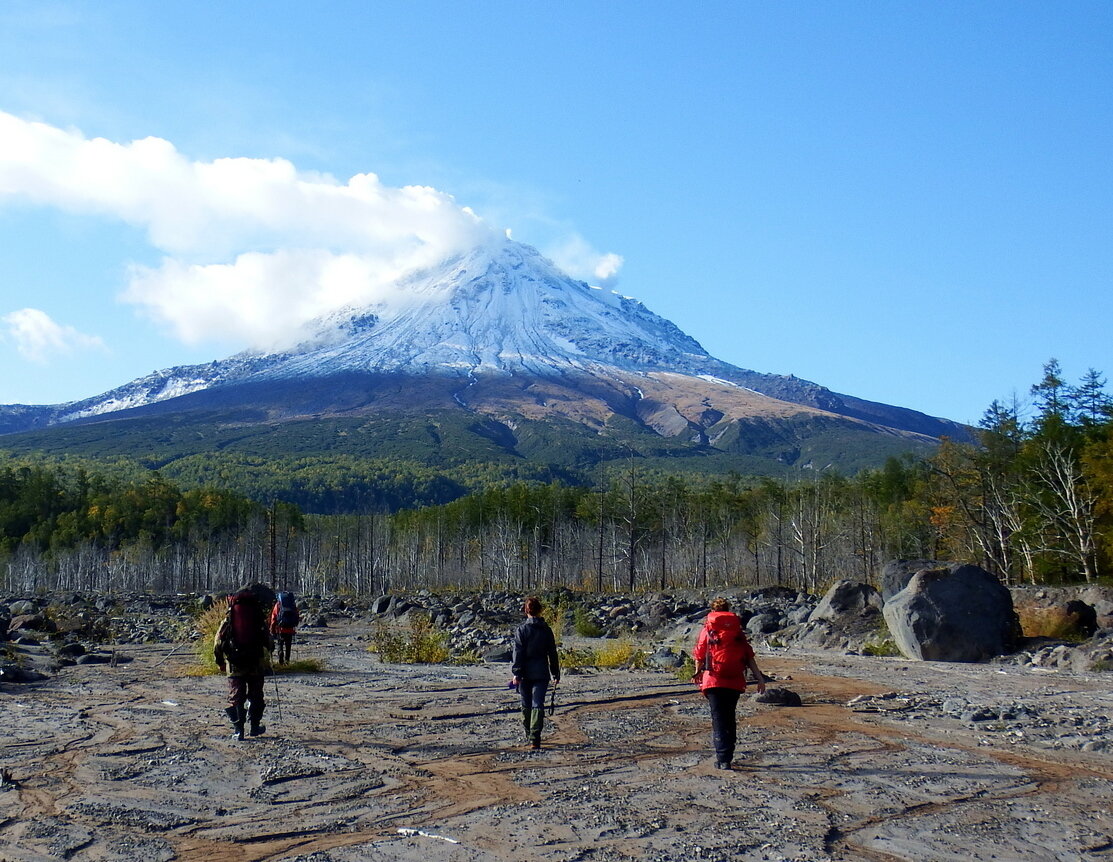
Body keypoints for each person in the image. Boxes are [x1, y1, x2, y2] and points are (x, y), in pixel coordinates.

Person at [691, 597, 766, 770]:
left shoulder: (708, 629)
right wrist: (759, 679)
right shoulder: (736, 631)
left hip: (713, 680)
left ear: (712, 610)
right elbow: (749, 657)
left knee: (718, 719)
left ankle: (722, 759)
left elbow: (699, 654)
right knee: (730, 718)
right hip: (735, 681)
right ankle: (728, 757)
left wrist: (698, 673)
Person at [214, 589, 274, 740]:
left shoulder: (229, 620)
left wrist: (220, 662)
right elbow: (270, 642)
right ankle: (254, 727)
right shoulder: (257, 619)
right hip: (255, 663)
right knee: (256, 696)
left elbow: (218, 643)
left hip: (235, 664)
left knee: (236, 697)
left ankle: (238, 731)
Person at [511, 596, 560, 750]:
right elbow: (552, 653)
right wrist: (555, 673)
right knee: (538, 704)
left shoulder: (522, 630)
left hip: (525, 673)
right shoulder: (547, 630)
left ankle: (529, 733)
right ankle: (535, 738)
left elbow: (518, 653)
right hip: (542, 672)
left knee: (526, 704)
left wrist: (516, 673)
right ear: (540, 610)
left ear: (526, 611)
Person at [270, 590, 300, 665]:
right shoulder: (292, 605)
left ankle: (280, 656)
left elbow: (274, 617)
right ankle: (287, 661)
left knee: (280, 644)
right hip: (290, 629)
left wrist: (272, 629)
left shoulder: (278, 605)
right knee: (288, 645)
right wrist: (295, 624)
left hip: (280, 629)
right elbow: (296, 615)